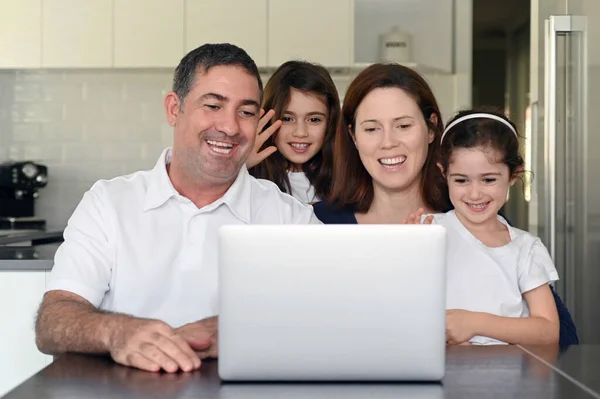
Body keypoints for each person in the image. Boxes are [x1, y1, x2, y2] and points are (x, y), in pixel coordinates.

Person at [35, 43, 320, 374]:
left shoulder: (291, 218)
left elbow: (335, 315)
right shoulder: (108, 203)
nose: (229, 127)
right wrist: (118, 332)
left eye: (246, 112)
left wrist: (239, 328)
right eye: (213, 105)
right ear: (174, 108)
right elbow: (53, 322)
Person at [312, 63, 578, 346]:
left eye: (403, 125)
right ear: (353, 136)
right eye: (372, 128)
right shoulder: (319, 224)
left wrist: (472, 331)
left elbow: (562, 337)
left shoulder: (477, 221)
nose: (388, 142)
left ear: (430, 129)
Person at [425, 110, 559, 345]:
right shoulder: (428, 232)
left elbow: (548, 331)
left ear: (513, 175)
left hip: (510, 375)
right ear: (443, 173)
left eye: (488, 180)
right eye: (461, 180)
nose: (475, 194)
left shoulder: (526, 248)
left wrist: (473, 323)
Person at [247, 61, 340, 204]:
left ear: (330, 122)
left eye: (314, 119)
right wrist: (241, 166)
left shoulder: (346, 179)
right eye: (287, 118)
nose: (301, 132)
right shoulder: (247, 176)